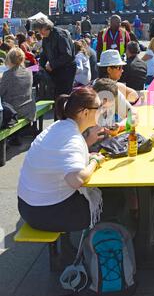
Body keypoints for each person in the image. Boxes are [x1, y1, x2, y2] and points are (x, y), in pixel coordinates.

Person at [17, 87, 105, 233]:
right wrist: (95, 162)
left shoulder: (57, 127)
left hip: (27, 208)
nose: (101, 112)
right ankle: (80, 249)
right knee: (112, 201)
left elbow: (59, 160)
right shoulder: (72, 138)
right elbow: (76, 180)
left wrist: (89, 157)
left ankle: (66, 248)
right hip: (48, 214)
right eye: (98, 108)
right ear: (85, 112)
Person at [32, 17, 76, 103]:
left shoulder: (60, 35)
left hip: (67, 70)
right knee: (57, 96)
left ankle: (63, 115)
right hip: (57, 69)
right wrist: (41, 65)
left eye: (40, 30)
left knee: (63, 96)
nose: (39, 32)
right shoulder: (45, 38)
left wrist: (52, 65)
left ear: (46, 27)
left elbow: (67, 55)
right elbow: (44, 53)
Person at [0, 47, 36, 122]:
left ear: (9, 59)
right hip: (28, 109)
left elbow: (1, 93)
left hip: (13, 110)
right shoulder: (29, 72)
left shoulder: (8, 75)